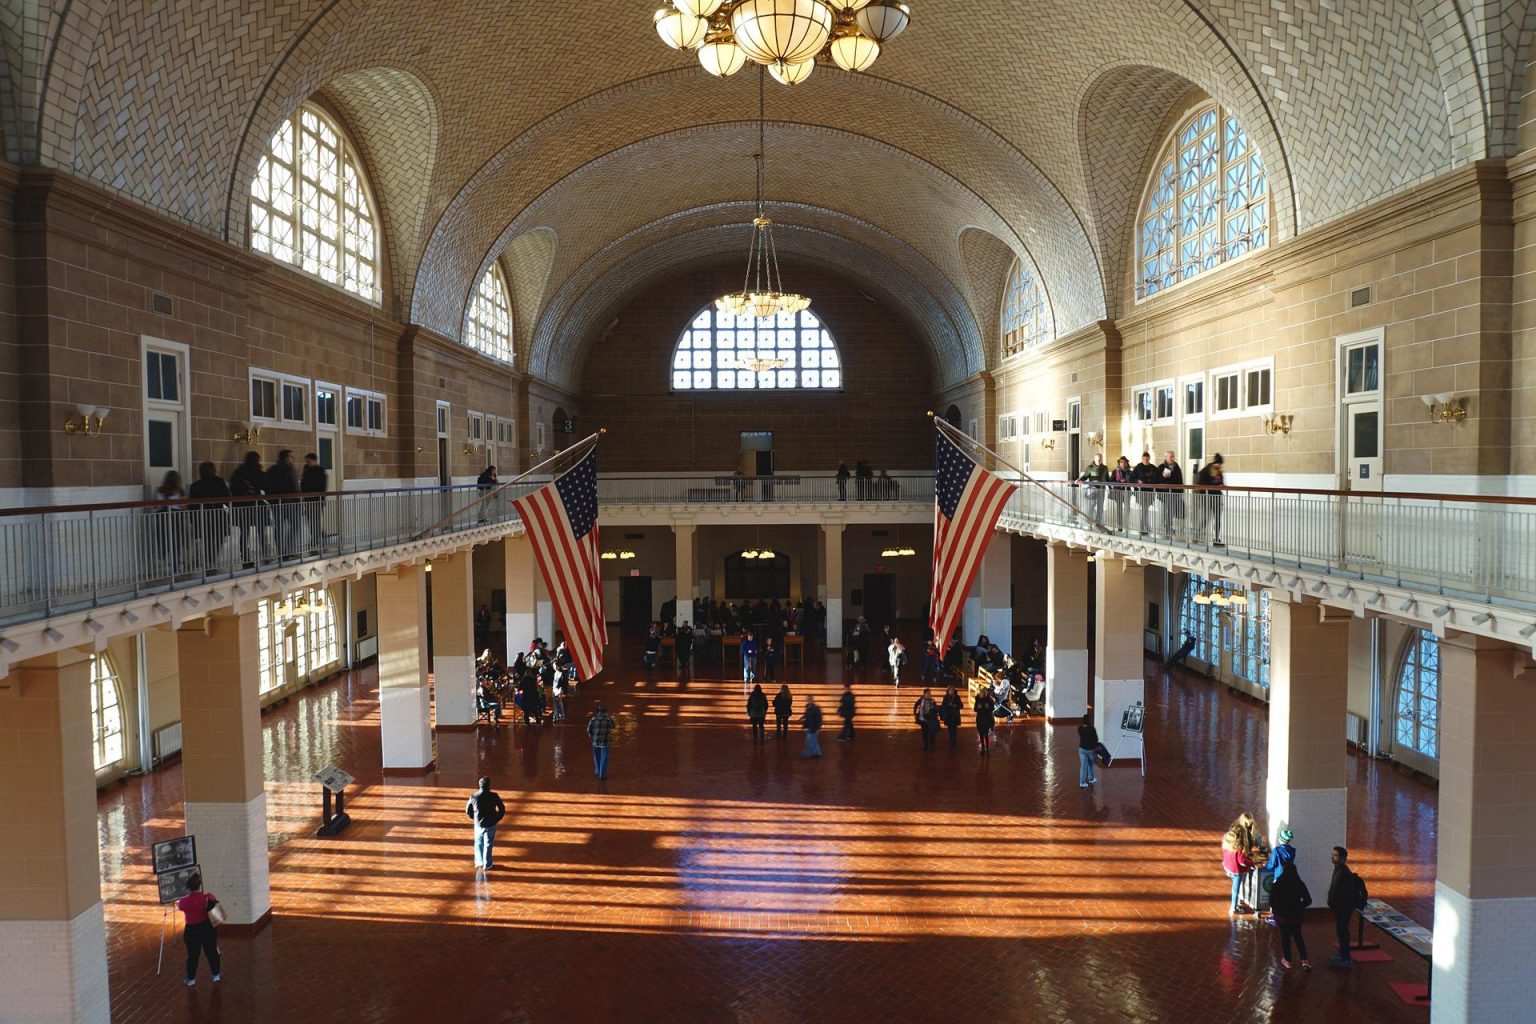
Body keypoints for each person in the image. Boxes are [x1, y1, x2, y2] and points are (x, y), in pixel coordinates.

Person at [175, 873, 222, 986]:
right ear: (199, 886)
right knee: (211, 952)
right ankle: (216, 975)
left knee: (192, 955)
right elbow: (215, 905)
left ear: (188, 888)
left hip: (191, 931)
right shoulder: (207, 897)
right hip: (207, 929)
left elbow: (179, 906)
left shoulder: (184, 902)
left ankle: (191, 979)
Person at [1327, 846, 1367, 968]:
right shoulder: (1339, 869)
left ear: (1343, 858)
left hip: (1344, 907)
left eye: (1335, 855)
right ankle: (1342, 954)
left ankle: (1346, 958)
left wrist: (1332, 902)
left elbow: (1340, 891)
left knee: (1343, 931)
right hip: (1341, 907)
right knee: (1341, 931)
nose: (1332, 857)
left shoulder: (1343, 872)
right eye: (1332, 854)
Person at [1269, 860, 1313, 970]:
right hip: (1296, 916)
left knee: (1285, 938)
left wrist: (1278, 910)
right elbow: (1308, 900)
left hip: (1283, 917)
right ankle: (1305, 961)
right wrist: (1299, 906)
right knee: (1298, 937)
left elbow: (1272, 901)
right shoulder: (1299, 883)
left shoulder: (1278, 883)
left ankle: (1288, 960)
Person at [188, 461, 231, 568]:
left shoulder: (195, 485)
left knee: (207, 539)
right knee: (218, 538)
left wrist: (193, 519)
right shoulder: (219, 482)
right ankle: (212, 560)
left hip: (203, 516)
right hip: (218, 516)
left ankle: (209, 560)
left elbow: (191, 504)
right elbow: (227, 498)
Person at [265, 449, 301, 557]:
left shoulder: (272, 470)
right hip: (289, 503)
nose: (293, 459)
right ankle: (290, 549)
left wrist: (272, 501)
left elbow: (267, 487)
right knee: (295, 524)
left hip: (277, 503)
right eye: (291, 457)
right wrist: (298, 501)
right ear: (286, 458)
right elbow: (294, 487)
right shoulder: (290, 470)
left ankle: (282, 552)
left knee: (280, 527)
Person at [465, 777, 506, 870]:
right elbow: (502, 809)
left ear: (479, 785)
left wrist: (474, 818)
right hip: (491, 823)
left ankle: (479, 862)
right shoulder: (494, 796)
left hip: (479, 824)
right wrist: (497, 819)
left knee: (478, 842)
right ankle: (487, 864)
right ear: (489, 785)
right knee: (489, 843)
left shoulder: (474, 796)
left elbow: (468, 810)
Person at [151, 469, 186, 574]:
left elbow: (156, 505)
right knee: (176, 544)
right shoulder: (180, 492)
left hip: (162, 518)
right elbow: (183, 507)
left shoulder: (159, 491)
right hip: (175, 519)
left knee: (162, 541)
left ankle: (161, 562)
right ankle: (175, 569)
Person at [1221, 821, 1255, 915]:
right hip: (1237, 871)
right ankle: (1234, 907)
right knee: (1235, 889)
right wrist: (1251, 863)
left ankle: (1238, 900)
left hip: (1228, 867)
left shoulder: (1227, 841)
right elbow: (1242, 861)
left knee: (1234, 886)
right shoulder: (1239, 847)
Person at [1195, 453, 1225, 546]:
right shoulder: (1206, 470)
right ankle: (1198, 534)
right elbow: (1200, 483)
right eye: (1218, 464)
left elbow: (1221, 483)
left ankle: (1216, 538)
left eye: (1220, 464)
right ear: (1215, 463)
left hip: (1217, 498)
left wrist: (1221, 486)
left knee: (1217, 519)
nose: (1219, 466)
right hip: (1207, 498)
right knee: (1205, 518)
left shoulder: (1219, 472)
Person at [299, 452, 327, 554]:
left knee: (316, 521)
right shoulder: (306, 470)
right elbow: (303, 484)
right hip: (309, 501)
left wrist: (320, 500)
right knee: (311, 521)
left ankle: (316, 539)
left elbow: (321, 487)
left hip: (316, 501)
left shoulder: (319, 471)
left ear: (314, 460)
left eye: (309, 461)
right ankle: (317, 538)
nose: (307, 463)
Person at [1158, 450, 1185, 539]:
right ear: (1166, 457)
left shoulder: (1176, 466)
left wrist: (1181, 491)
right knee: (1168, 510)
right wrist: (1163, 477)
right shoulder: (1161, 467)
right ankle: (1168, 527)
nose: (1173, 458)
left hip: (1175, 492)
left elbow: (1179, 479)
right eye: (1171, 457)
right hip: (1165, 493)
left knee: (1171, 510)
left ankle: (1169, 526)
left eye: (1173, 456)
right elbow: (1157, 480)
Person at [1131, 451, 1159, 536]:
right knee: (1144, 509)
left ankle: (1145, 526)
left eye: (1147, 459)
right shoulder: (1138, 467)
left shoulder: (1153, 468)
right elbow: (1131, 478)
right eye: (1144, 459)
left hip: (1150, 492)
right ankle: (1143, 527)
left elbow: (1157, 478)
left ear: (1149, 459)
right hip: (1141, 492)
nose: (1146, 460)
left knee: (1145, 510)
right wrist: (1137, 481)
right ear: (1142, 459)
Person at [1078, 453, 1109, 528]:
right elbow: (1085, 476)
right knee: (1091, 505)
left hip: (1102, 490)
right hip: (1093, 490)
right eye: (1098, 459)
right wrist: (1079, 480)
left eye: (1100, 459)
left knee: (1100, 506)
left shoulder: (1105, 468)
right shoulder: (1090, 467)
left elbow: (1107, 478)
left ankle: (1098, 522)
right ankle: (1089, 521)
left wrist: (1111, 486)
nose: (1099, 460)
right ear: (1095, 459)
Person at [1108, 455, 1135, 532]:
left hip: (1127, 492)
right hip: (1118, 492)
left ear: (1127, 463)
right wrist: (1120, 482)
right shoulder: (1115, 471)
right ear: (1119, 463)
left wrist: (1129, 481)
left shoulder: (1130, 472)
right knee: (1119, 509)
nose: (1123, 464)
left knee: (1127, 508)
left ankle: (1126, 523)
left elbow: (1133, 480)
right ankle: (1119, 524)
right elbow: (1111, 481)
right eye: (1121, 462)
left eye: (1124, 462)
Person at [587, 703, 615, 779]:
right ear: (605, 712)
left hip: (595, 742)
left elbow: (588, 730)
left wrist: (593, 737)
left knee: (596, 757)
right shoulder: (608, 719)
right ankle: (602, 775)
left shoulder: (593, 719)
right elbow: (613, 726)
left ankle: (597, 770)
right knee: (604, 758)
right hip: (605, 742)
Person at [1077, 714, 1099, 787]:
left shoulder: (1080, 728)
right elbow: (1096, 739)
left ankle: (1082, 782)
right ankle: (1091, 778)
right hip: (1090, 750)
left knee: (1083, 766)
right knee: (1090, 765)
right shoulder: (1092, 729)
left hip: (1082, 749)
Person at [973, 687, 996, 755]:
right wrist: (978, 707)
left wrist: (988, 707)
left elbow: (992, 709)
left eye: (981, 693)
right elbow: (975, 709)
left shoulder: (989, 700)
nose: (980, 694)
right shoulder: (978, 699)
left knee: (986, 734)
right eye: (980, 693)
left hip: (986, 718)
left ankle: (987, 748)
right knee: (981, 734)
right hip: (980, 718)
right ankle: (982, 747)